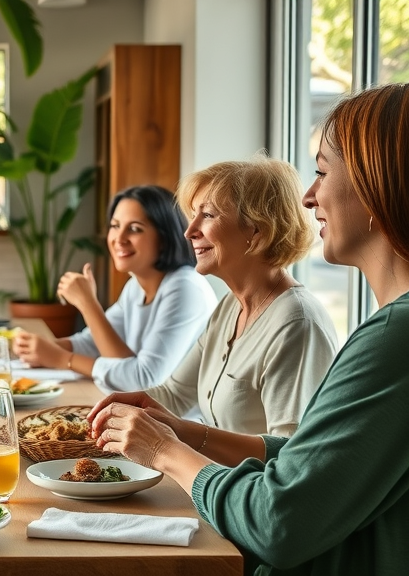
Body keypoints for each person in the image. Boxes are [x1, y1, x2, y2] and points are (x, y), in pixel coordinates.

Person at [90, 83, 409, 576]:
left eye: (322, 172)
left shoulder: (390, 338)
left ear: (375, 185)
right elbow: (304, 460)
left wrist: (165, 451)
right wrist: (183, 432)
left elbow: (278, 519)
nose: (308, 195)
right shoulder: (387, 329)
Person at [130, 156, 338, 436]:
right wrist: (100, 411)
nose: (189, 231)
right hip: (218, 477)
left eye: (207, 215)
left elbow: (288, 453)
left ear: (256, 229)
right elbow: (174, 395)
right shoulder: (231, 306)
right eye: (193, 215)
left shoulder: (296, 323)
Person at [12, 185, 218, 393]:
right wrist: (39, 348)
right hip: (142, 413)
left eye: (135, 228)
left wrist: (86, 306)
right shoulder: (136, 286)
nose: (119, 239)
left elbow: (145, 379)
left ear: (164, 237)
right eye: (115, 226)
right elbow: (95, 343)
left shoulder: (185, 289)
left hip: (176, 422)